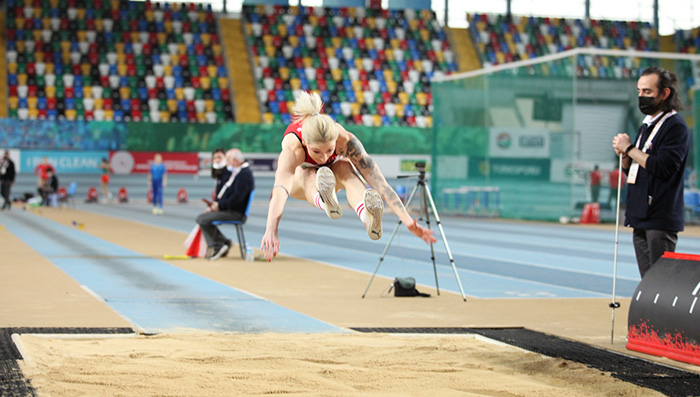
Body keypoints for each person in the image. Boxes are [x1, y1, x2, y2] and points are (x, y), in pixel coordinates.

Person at [260, 91, 436, 262]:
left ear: (336, 139)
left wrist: (407, 221)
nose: (322, 157)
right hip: (301, 185)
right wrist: (271, 230)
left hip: (330, 177)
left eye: (329, 150)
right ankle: (325, 201)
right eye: (316, 151)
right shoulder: (293, 148)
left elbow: (380, 184)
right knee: (308, 173)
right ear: (305, 142)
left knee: (345, 166)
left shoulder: (346, 141)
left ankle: (367, 216)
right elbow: (280, 189)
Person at [612, 66, 690, 278]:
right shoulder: (646, 126)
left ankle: (663, 313)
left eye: (647, 92)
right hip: (640, 214)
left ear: (664, 93)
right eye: (639, 91)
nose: (641, 97)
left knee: (661, 281)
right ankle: (649, 313)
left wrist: (630, 148)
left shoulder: (675, 127)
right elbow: (638, 170)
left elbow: (663, 167)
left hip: (659, 216)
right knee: (648, 281)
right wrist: (626, 156)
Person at [196, 148, 254, 261]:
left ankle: (219, 244)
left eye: (227, 160)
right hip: (230, 210)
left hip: (235, 213)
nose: (226, 164)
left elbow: (237, 199)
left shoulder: (244, 174)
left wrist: (220, 206)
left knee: (202, 219)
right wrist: (217, 206)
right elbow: (230, 196)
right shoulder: (238, 173)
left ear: (235, 160)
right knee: (202, 218)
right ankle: (224, 242)